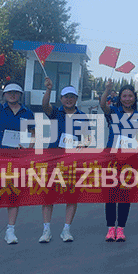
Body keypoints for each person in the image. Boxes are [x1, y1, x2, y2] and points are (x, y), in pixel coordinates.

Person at [0, 68, 34, 246]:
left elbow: (33, 134)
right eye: (9, 92)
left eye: (15, 92)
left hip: (17, 160)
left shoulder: (27, 113)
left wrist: (28, 148)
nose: (12, 95)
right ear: (4, 94)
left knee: (13, 194)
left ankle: (10, 230)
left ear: (20, 94)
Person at [99, 80, 138, 242]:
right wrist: (107, 90)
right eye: (124, 96)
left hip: (130, 159)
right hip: (111, 158)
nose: (127, 99)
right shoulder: (114, 111)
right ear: (120, 98)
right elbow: (102, 105)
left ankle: (121, 228)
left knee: (125, 194)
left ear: (134, 98)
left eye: (130, 96)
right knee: (110, 194)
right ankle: (110, 228)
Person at [39, 79, 88, 243]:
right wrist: (48, 90)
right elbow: (44, 105)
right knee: (49, 195)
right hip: (53, 159)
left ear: (76, 99)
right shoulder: (55, 113)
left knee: (71, 196)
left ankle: (66, 230)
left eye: (72, 97)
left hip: (73, 161)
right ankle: (46, 230)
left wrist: (83, 145)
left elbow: (87, 139)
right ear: (61, 99)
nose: (69, 99)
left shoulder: (82, 117)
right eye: (66, 97)